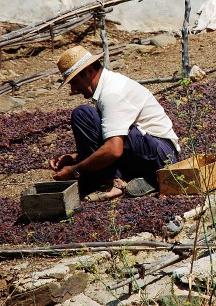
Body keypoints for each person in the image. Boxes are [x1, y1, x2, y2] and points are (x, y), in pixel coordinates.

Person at [49, 45, 180, 202]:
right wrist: (76, 157)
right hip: (155, 151)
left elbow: (113, 150)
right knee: (87, 117)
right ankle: (128, 179)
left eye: (75, 82)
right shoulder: (107, 86)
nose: (74, 88)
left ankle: (114, 183)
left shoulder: (112, 92)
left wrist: (75, 170)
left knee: (83, 114)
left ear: (90, 71)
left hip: (162, 155)